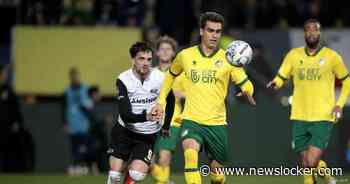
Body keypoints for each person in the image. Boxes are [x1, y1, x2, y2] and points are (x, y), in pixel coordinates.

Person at [151, 12, 256, 184]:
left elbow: (245, 81)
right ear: (201, 31)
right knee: (190, 155)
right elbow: (170, 75)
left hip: (217, 123)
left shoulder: (229, 58)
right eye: (210, 30)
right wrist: (161, 102)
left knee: (218, 175)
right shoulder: (185, 56)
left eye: (218, 31)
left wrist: (247, 90)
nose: (214, 35)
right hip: (191, 120)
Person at [267, 19, 350, 184]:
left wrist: (339, 104)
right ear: (304, 33)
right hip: (299, 115)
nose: (312, 33)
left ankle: (323, 177)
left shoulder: (332, 57)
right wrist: (275, 83)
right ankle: (327, 177)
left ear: (320, 33)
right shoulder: (293, 55)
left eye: (315, 30)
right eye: (308, 30)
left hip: (323, 116)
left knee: (310, 162)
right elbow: (282, 75)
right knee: (306, 163)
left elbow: (347, 81)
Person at [106, 41, 171, 184]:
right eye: (141, 59)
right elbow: (125, 115)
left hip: (146, 136)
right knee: (115, 175)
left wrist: (166, 124)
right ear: (133, 60)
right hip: (124, 131)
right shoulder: (123, 80)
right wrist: (147, 116)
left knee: (137, 174)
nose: (146, 63)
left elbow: (170, 99)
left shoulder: (160, 77)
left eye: (149, 59)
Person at [151, 36, 186, 184]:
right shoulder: (150, 74)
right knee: (146, 162)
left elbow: (193, 93)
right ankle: (164, 181)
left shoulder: (181, 73)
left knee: (164, 158)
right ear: (157, 53)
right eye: (162, 49)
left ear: (173, 53)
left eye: (168, 49)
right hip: (151, 121)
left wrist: (181, 95)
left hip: (172, 120)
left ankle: (163, 181)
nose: (165, 52)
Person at [63, 67, 93, 175]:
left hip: (83, 123)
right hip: (72, 124)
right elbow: (64, 107)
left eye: (76, 75)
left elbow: (90, 105)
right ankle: (76, 167)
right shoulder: (67, 91)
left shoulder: (85, 89)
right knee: (74, 148)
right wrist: (65, 123)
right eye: (72, 76)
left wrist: (85, 106)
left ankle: (83, 166)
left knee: (83, 147)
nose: (74, 78)